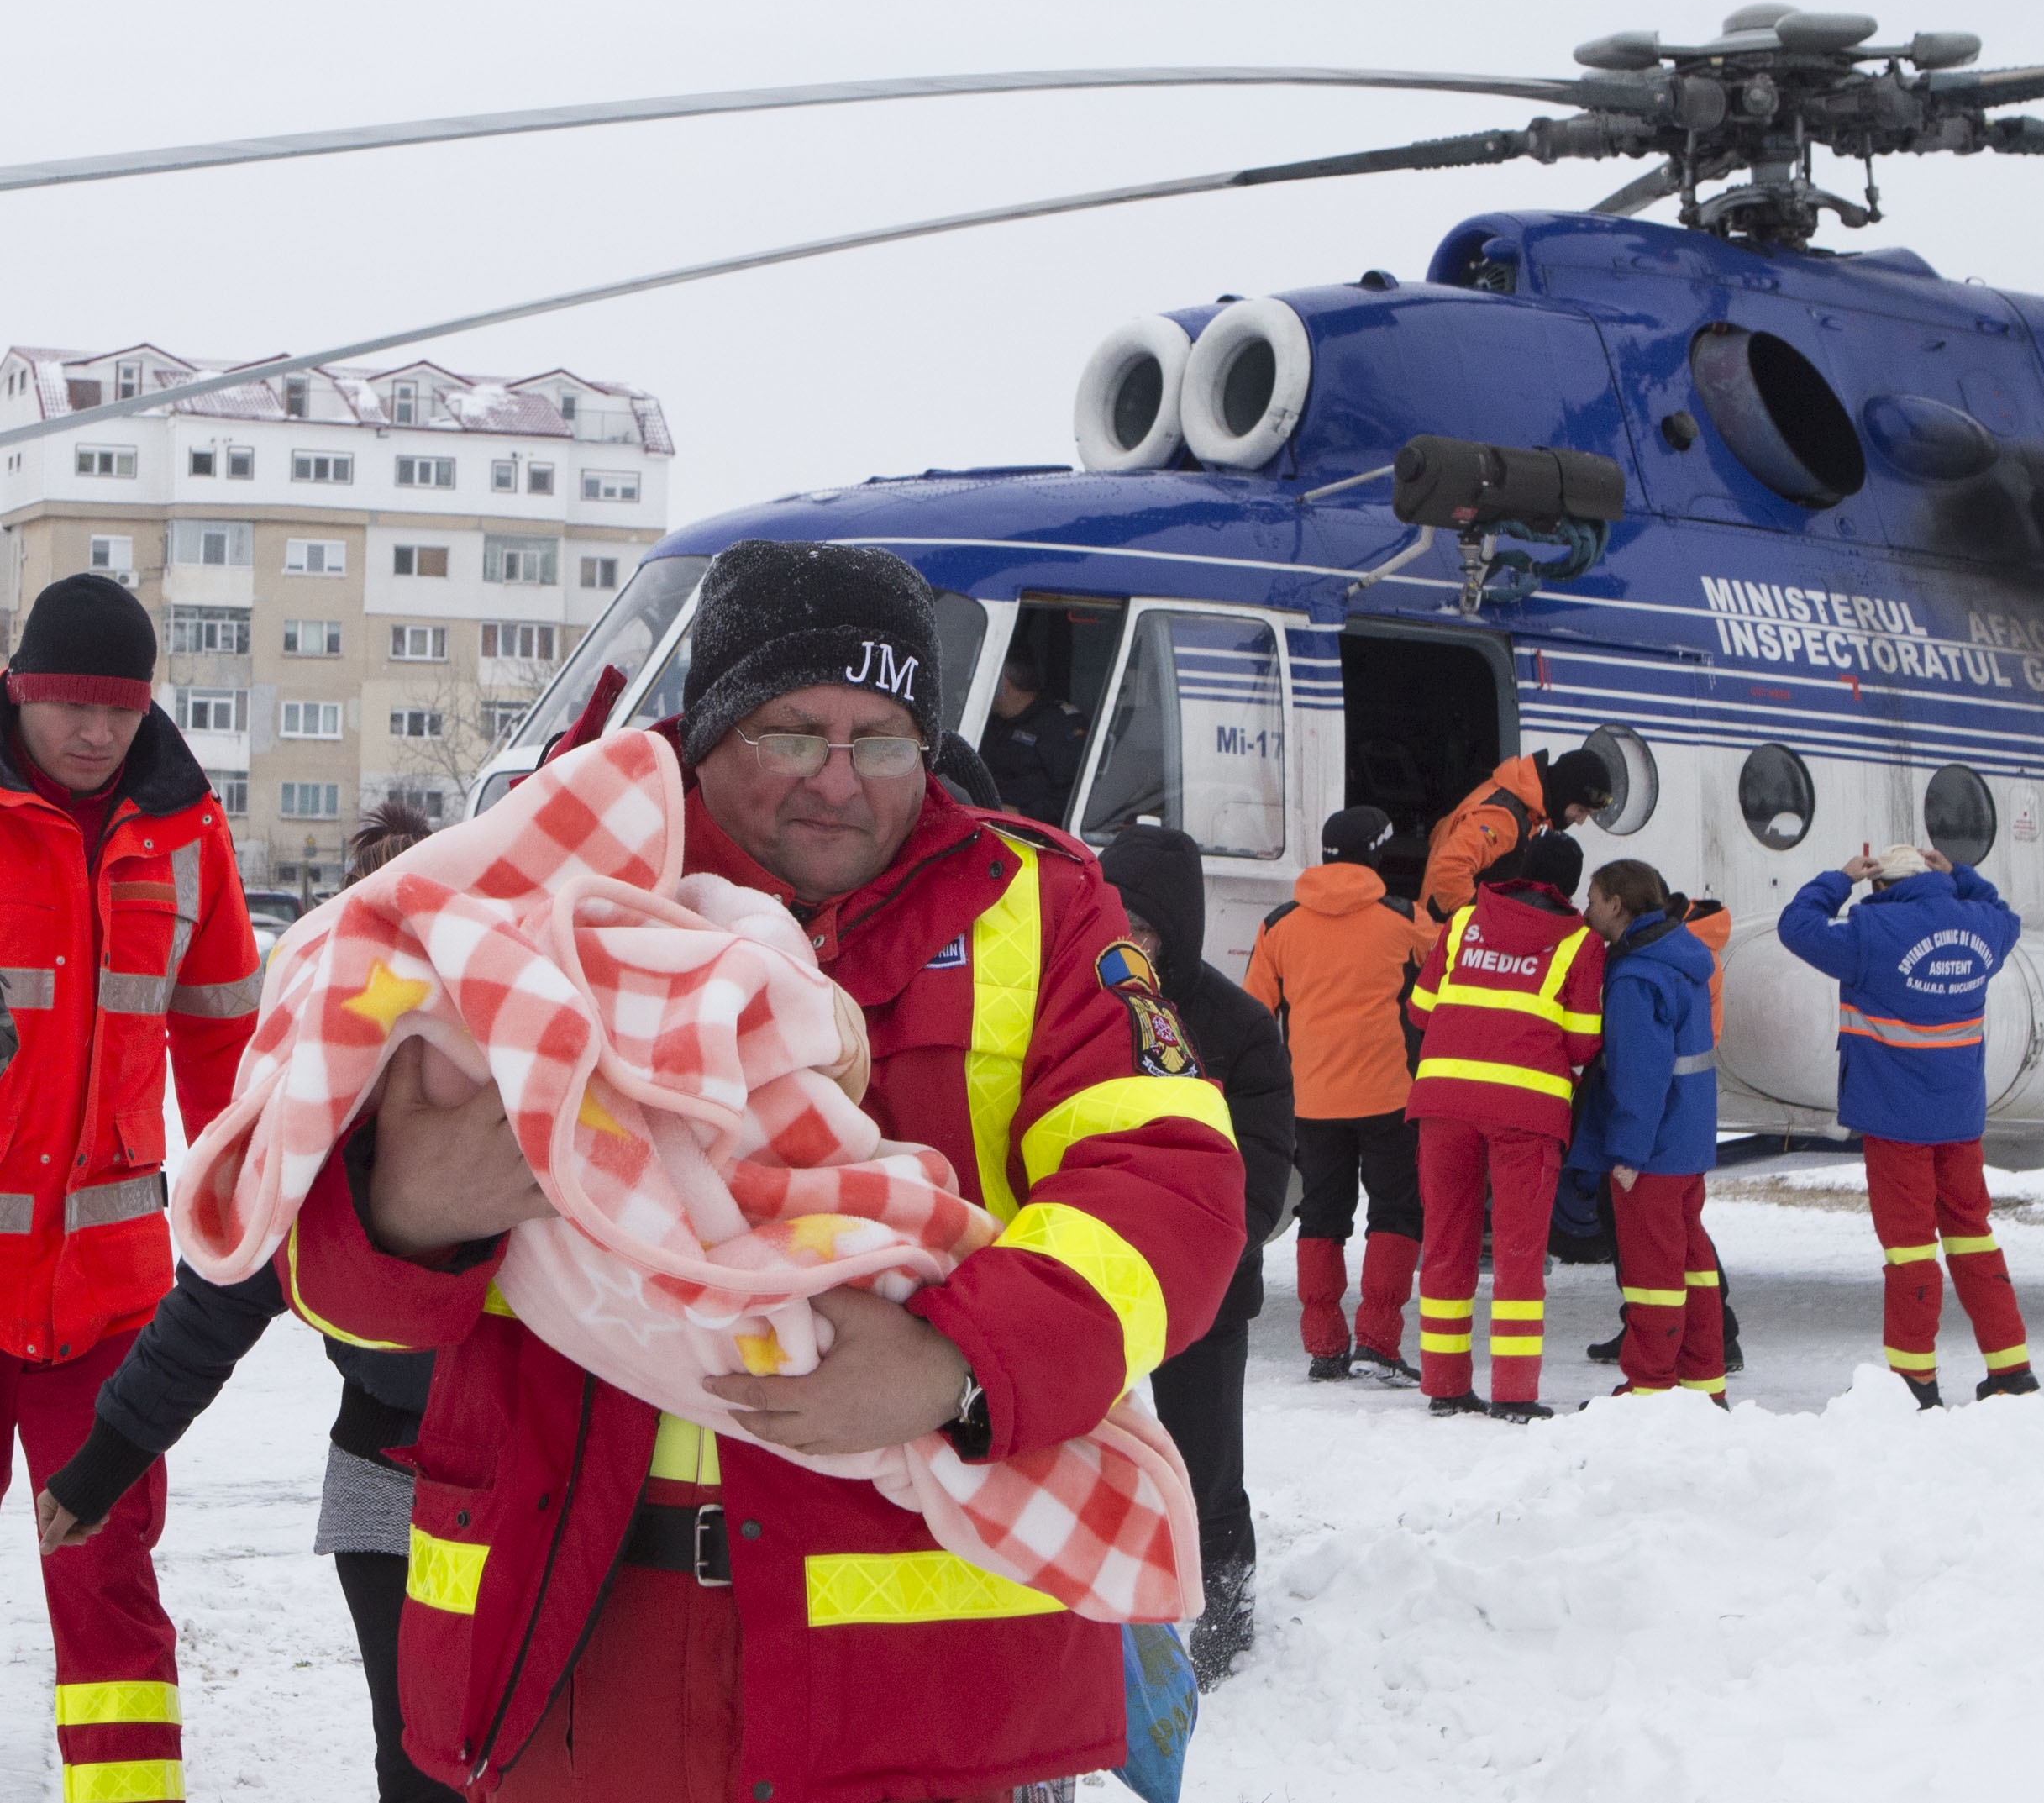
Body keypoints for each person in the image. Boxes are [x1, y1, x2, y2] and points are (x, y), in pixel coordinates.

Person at [275, 539, 1244, 1802]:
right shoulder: (539, 892)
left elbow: (1172, 1189)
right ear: (707, 728)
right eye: (792, 732)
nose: (838, 781)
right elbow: (331, 1278)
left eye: (883, 740)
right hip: (572, 1652)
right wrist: (407, 1210)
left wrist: (959, 1363)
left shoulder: (1043, 908)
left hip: (923, 1691)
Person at [40, 796, 456, 1802]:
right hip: (386, 1473)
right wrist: (101, 1466)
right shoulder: (313, 1121)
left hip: (530, 1472)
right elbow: (215, 1305)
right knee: (419, 1758)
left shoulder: (533, 1087)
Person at [0, 572, 262, 1803]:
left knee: (106, 1578)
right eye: (71, 706)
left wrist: (254, 1217)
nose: (96, 732)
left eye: (120, 707)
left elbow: (227, 1047)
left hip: (105, 1306)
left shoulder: (188, 831)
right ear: (21, 690)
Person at [1101, 825, 1295, 1687]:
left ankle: (1224, 1604)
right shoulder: (1073, 1002)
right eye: (1114, 922)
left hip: (1201, 1285)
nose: (1127, 943)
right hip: (1090, 1269)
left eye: (1142, 927)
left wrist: (1208, 1252)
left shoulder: (1236, 1025)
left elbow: (1261, 1167)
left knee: (1207, 1460)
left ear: (1175, 931)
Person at [1778, 842, 2035, 1407]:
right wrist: (1961, 876)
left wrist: (1839, 878)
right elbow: (2006, 916)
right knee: (1973, 1237)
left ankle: (1914, 1380)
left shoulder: (1871, 933)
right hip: (1959, 1117)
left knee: (1910, 1249)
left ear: (1880, 886)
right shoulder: (1982, 926)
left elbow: (1796, 927)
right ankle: (2011, 1370)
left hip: (1896, 1119)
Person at [1404, 831, 1602, 1422]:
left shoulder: (1465, 920)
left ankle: (1444, 1385)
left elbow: (1419, 1009)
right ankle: (1514, 1392)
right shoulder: (1581, 942)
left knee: (1446, 1242)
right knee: (1519, 1250)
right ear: (1571, 886)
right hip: (1527, 1110)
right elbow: (1583, 1042)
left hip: (1443, 1100)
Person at [1243, 806, 1427, 1385]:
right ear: (1375, 853)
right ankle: (1378, 1340)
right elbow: (1450, 985)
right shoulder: (1406, 920)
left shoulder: (1279, 925)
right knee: (1396, 1211)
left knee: (1322, 1213)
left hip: (1313, 1100)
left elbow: (1254, 1015)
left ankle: (1324, 1345)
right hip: (1391, 1094)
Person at [1571, 861, 1726, 1401]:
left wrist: (1628, 1152)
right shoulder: (1681, 954)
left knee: (1651, 1273)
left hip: (1653, 1150)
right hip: (1688, 1141)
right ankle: (1704, 1382)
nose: (1586, 910)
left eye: (1593, 899)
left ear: (1617, 905)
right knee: (1692, 1264)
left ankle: (1649, 1388)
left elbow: (1639, 1074)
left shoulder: (1636, 975)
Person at [1416, 747, 1615, 925]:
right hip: (1448, 938)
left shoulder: (1529, 811)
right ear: (1564, 793)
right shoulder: (1505, 816)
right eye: (1581, 810)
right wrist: (1485, 925)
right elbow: (1448, 868)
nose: (1580, 820)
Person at [978, 654, 1086, 826]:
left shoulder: (1059, 725)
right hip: (980, 816)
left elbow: (1075, 795)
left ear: (1002, 684)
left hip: (1026, 830)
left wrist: (1022, 815)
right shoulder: (985, 721)